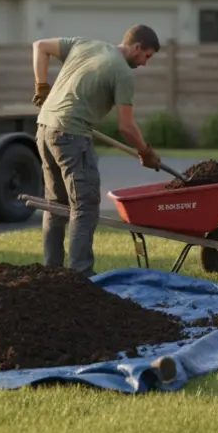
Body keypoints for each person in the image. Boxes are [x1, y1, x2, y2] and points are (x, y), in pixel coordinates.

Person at [30, 24, 162, 276]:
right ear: (136, 47)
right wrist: (146, 152)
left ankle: (51, 274)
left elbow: (40, 46)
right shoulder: (122, 72)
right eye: (147, 56)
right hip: (70, 135)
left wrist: (41, 86)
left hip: (44, 129)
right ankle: (80, 276)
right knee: (84, 205)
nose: (145, 63)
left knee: (55, 204)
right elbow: (126, 126)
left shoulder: (85, 44)